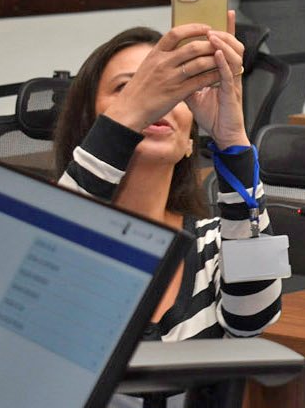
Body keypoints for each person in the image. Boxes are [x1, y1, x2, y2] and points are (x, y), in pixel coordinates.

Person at [54, 18, 282, 346]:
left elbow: (256, 318)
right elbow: (49, 262)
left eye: (175, 91)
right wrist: (128, 116)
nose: (158, 102)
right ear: (90, 123)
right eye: (128, 88)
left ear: (189, 142)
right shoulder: (50, 221)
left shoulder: (215, 241)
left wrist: (233, 140)